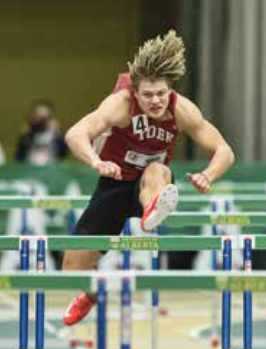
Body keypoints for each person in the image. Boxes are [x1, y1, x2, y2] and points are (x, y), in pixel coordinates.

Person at [62, 30, 235, 326]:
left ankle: (153, 210)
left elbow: (224, 150)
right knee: (71, 269)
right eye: (148, 95)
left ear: (170, 91)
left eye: (161, 94)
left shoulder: (181, 109)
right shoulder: (120, 104)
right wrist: (96, 161)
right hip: (114, 181)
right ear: (135, 92)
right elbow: (75, 133)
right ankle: (90, 293)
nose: (155, 101)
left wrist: (208, 175)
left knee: (157, 171)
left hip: (153, 180)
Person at [15, 99, 67, 165]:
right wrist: (25, 137)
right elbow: (18, 157)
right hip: (29, 169)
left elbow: (62, 154)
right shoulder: (28, 135)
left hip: (51, 169)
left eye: (44, 118)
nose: (41, 121)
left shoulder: (55, 135)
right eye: (38, 117)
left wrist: (58, 134)